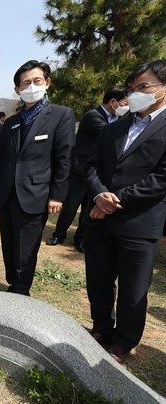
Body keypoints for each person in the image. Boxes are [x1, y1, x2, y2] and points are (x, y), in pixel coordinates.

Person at [84, 59, 166, 363]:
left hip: (139, 222)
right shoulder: (114, 128)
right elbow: (91, 165)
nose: (135, 94)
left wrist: (113, 201)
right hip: (100, 220)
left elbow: (161, 179)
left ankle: (123, 341)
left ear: (162, 89)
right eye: (132, 89)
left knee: (133, 292)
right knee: (99, 280)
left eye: (143, 87)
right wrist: (98, 194)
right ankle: (101, 328)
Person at [0, 59, 75, 296]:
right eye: (25, 83)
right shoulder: (12, 122)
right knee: (9, 243)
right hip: (7, 194)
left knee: (26, 247)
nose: (31, 86)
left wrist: (57, 195)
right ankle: (12, 282)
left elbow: (64, 159)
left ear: (47, 82)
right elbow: (3, 159)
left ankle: (21, 289)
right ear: (18, 90)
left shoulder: (61, 115)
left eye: (36, 81)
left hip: (35, 194)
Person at [47, 87, 129, 252]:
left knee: (88, 207)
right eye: (125, 103)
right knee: (70, 206)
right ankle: (59, 234)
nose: (126, 108)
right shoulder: (93, 116)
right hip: (79, 170)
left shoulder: (115, 120)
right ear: (113, 102)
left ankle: (80, 239)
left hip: (97, 173)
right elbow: (110, 135)